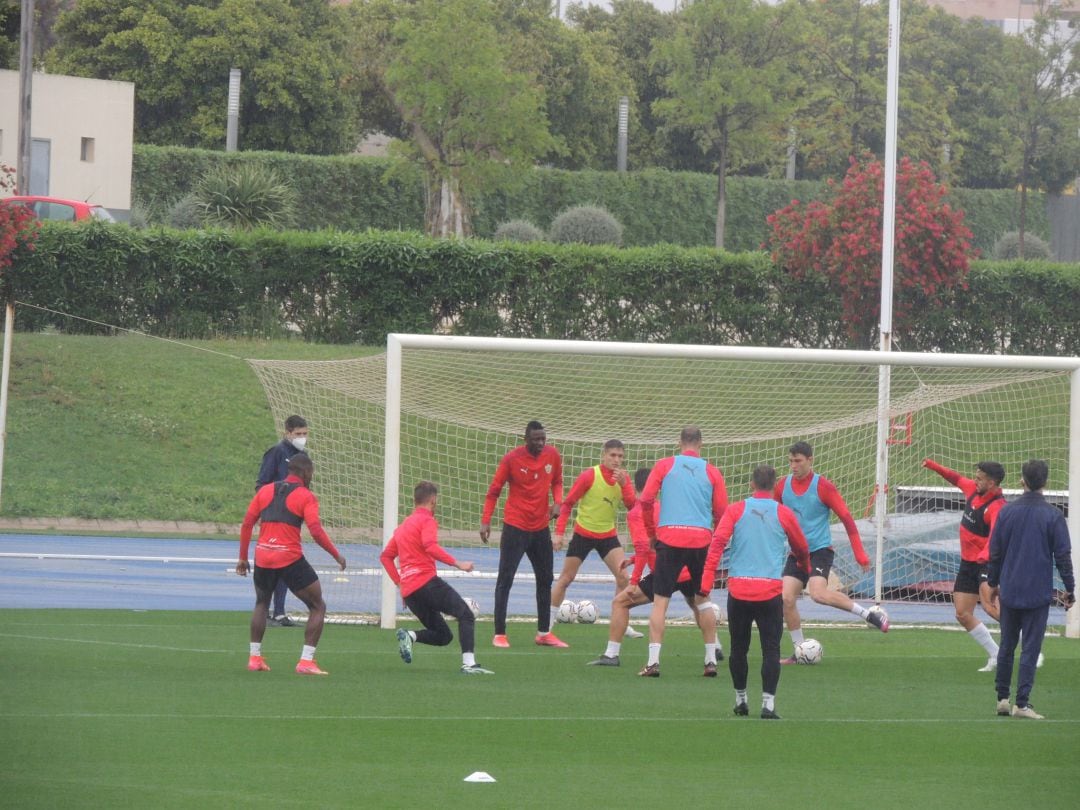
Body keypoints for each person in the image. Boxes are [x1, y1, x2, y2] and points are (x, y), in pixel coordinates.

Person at [702, 464, 810, 719]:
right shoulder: (783, 513)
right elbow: (802, 547)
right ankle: (768, 705)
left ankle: (741, 700)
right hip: (769, 591)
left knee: (738, 649)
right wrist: (804, 567)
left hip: (739, 590)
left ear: (751, 484)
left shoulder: (736, 510)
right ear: (774, 487)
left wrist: (707, 579)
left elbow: (717, 543)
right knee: (770, 650)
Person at [588, 467, 717, 668]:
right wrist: (632, 559)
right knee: (699, 604)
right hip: (688, 566)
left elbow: (643, 547)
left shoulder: (637, 512)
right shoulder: (666, 507)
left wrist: (632, 582)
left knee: (620, 602)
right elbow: (655, 544)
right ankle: (714, 650)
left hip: (665, 570)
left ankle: (612, 654)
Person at [237, 452, 346, 675]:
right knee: (318, 606)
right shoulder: (306, 496)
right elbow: (315, 530)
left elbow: (247, 523)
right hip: (289, 557)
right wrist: (336, 555)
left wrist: (242, 557)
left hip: (263, 555)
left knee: (261, 603)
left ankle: (254, 658)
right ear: (306, 472)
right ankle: (306, 661)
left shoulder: (265, 490)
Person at [778, 441, 885, 665]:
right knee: (786, 598)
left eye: (798, 461)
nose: (793, 466)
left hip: (820, 551)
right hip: (796, 553)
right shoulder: (782, 486)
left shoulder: (823, 486)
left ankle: (868, 615)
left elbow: (846, 518)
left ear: (810, 460)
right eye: (790, 461)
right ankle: (799, 651)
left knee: (818, 594)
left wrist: (860, 553)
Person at [637, 426, 727, 677]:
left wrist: (652, 532)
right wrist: (715, 541)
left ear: (680, 442)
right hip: (700, 540)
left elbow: (645, 500)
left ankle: (653, 662)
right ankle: (711, 661)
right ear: (701, 444)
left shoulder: (665, 465)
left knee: (660, 602)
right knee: (703, 601)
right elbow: (722, 513)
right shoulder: (712, 471)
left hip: (670, 537)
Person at [988, 459, 1075, 719]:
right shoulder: (1053, 515)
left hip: (1011, 589)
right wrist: (1070, 588)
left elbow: (995, 552)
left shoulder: (1007, 512)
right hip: (1037, 592)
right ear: (1046, 483)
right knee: (1030, 648)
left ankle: (1002, 697)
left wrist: (993, 584)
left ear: (1022, 480)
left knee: (1007, 644)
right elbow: (1063, 556)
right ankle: (1022, 703)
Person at [381, 481, 493, 675]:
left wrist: (400, 583)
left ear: (415, 501)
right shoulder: (427, 521)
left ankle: (410, 636)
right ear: (433, 500)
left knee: (444, 635)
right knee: (465, 614)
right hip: (426, 583)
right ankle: (469, 664)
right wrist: (459, 563)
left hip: (410, 593)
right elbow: (430, 546)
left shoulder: (403, 526)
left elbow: (385, 557)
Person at [481, 420, 567, 648]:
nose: (540, 443)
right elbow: (494, 492)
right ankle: (499, 633)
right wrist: (485, 521)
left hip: (540, 529)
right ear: (525, 439)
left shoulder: (552, 456)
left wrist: (558, 502)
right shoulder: (511, 459)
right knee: (505, 580)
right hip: (515, 527)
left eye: (543, 439)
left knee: (545, 580)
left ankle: (543, 633)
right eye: (536, 439)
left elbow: (557, 482)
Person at [923, 456, 1010, 671]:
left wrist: (984, 556)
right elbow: (954, 478)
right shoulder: (972, 489)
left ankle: (1028, 642)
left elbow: (995, 539)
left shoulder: (997, 507)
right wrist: (933, 465)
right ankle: (996, 654)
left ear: (992, 483)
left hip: (987, 563)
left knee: (990, 607)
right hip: (968, 563)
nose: (975, 480)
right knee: (962, 614)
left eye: (980, 478)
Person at [551, 439, 636, 627]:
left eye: (620, 456)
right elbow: (567, 504)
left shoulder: (623, 479)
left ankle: (620, 621)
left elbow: (632, 506)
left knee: (623, 577)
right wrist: (559, 533)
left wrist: (625, 485)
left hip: (608, 535)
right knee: (566, 578)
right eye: (612, 455)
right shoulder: (590, 475)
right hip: (584, 533)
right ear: (604, 455)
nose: (616, 460)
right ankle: (547, 623)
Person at [256, 415, 310, 628]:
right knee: (271, 562)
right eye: (298, 434)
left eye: (305, 434)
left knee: (286, 562)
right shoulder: (277, 452)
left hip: (291, 517)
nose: (302, 438)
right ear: (287, 433)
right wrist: (267, 507)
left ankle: (278, 612)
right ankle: (266, 610)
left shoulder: (303, 456)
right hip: (274, 516)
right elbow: (261, 484)